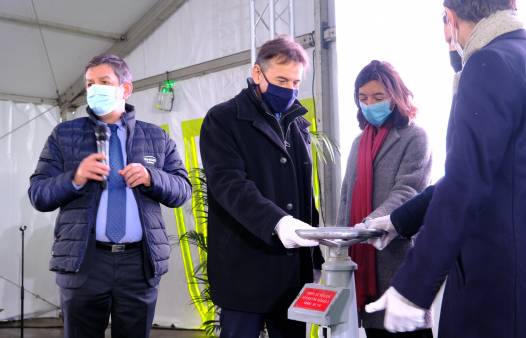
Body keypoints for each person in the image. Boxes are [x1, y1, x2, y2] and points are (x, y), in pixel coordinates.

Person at [363, 1, 526, 337]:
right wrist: (397, 220)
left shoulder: (487, 64)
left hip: (497, 292)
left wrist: (413, 286)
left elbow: (466, 182)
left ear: (450, 18)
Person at [28, 54, 192, 338]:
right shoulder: (64, 135)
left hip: (139, 265)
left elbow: (182, 190)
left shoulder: (156, 137)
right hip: (84, 262)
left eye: (104, 82)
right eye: (90, 84)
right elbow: (39, 194)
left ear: (125, 89)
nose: (94, 90)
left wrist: (152, 178)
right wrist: (74, 178)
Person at [199, 36, 322, 338]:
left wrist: (315, 255)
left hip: (292, 273)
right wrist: (277, 222)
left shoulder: (297, 126)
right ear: (257, 74)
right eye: (281, 79)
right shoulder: (223, 119)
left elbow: (304, 194)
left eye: (295, 82)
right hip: (244, 272)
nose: (290, 90)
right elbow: (229, 184)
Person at [337, 60, 432, 338]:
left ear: (396, 97)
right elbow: (346, 197)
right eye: (363, 98)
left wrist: (367, 225)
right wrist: (340, 243)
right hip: (362, 262)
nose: (370, 104)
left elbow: (408, 191)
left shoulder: (415, 137)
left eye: (378, 97)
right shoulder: (359, 142)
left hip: (397, 259)